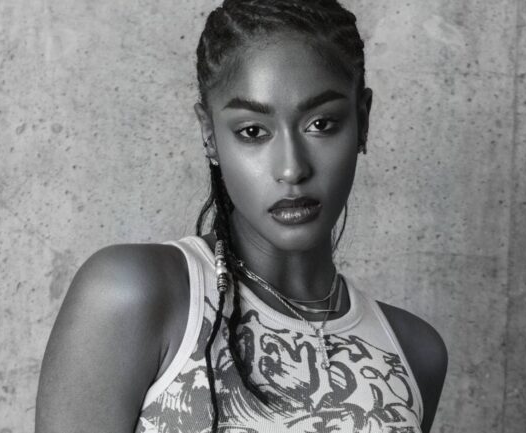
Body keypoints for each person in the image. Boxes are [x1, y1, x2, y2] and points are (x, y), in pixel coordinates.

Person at [35, 0, 448, 432]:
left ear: (362, 120)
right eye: (253, 131)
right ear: (210, 135)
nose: (292, 169)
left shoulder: (414, 353)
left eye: (321, 124)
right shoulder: (133, 293)